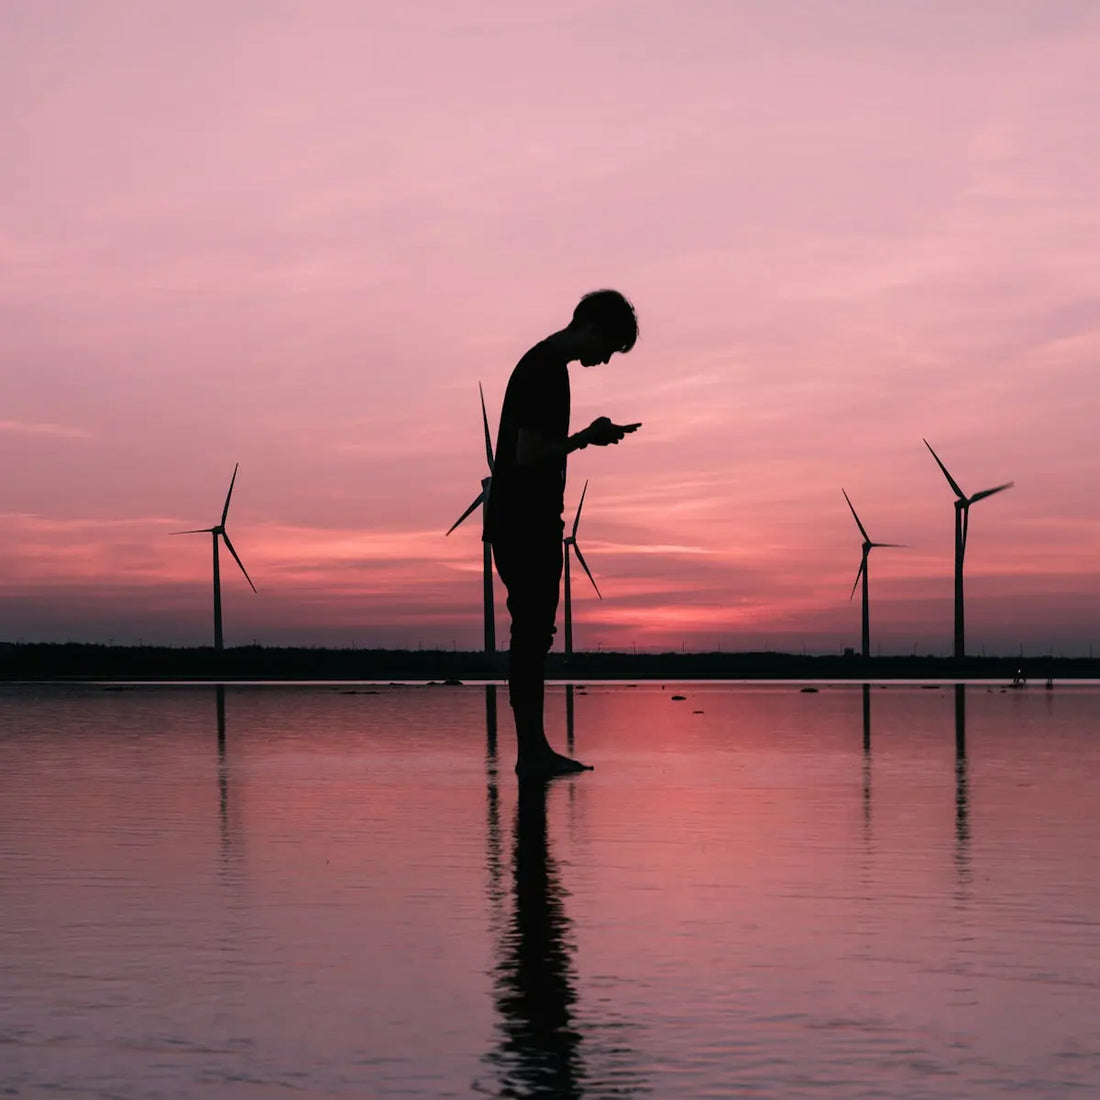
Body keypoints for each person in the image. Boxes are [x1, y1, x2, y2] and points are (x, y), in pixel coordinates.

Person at [484, 289, 640, 778]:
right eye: (610, 348)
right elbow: (529, 454)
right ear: (591, 327)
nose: (606, 360)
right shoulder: (544, 371)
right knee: (531, 635)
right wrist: (584, 439)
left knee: (533, 634)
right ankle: (531, 754)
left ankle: (535, 749)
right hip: (524, 522)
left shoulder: (545, 366)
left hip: (525, 519)